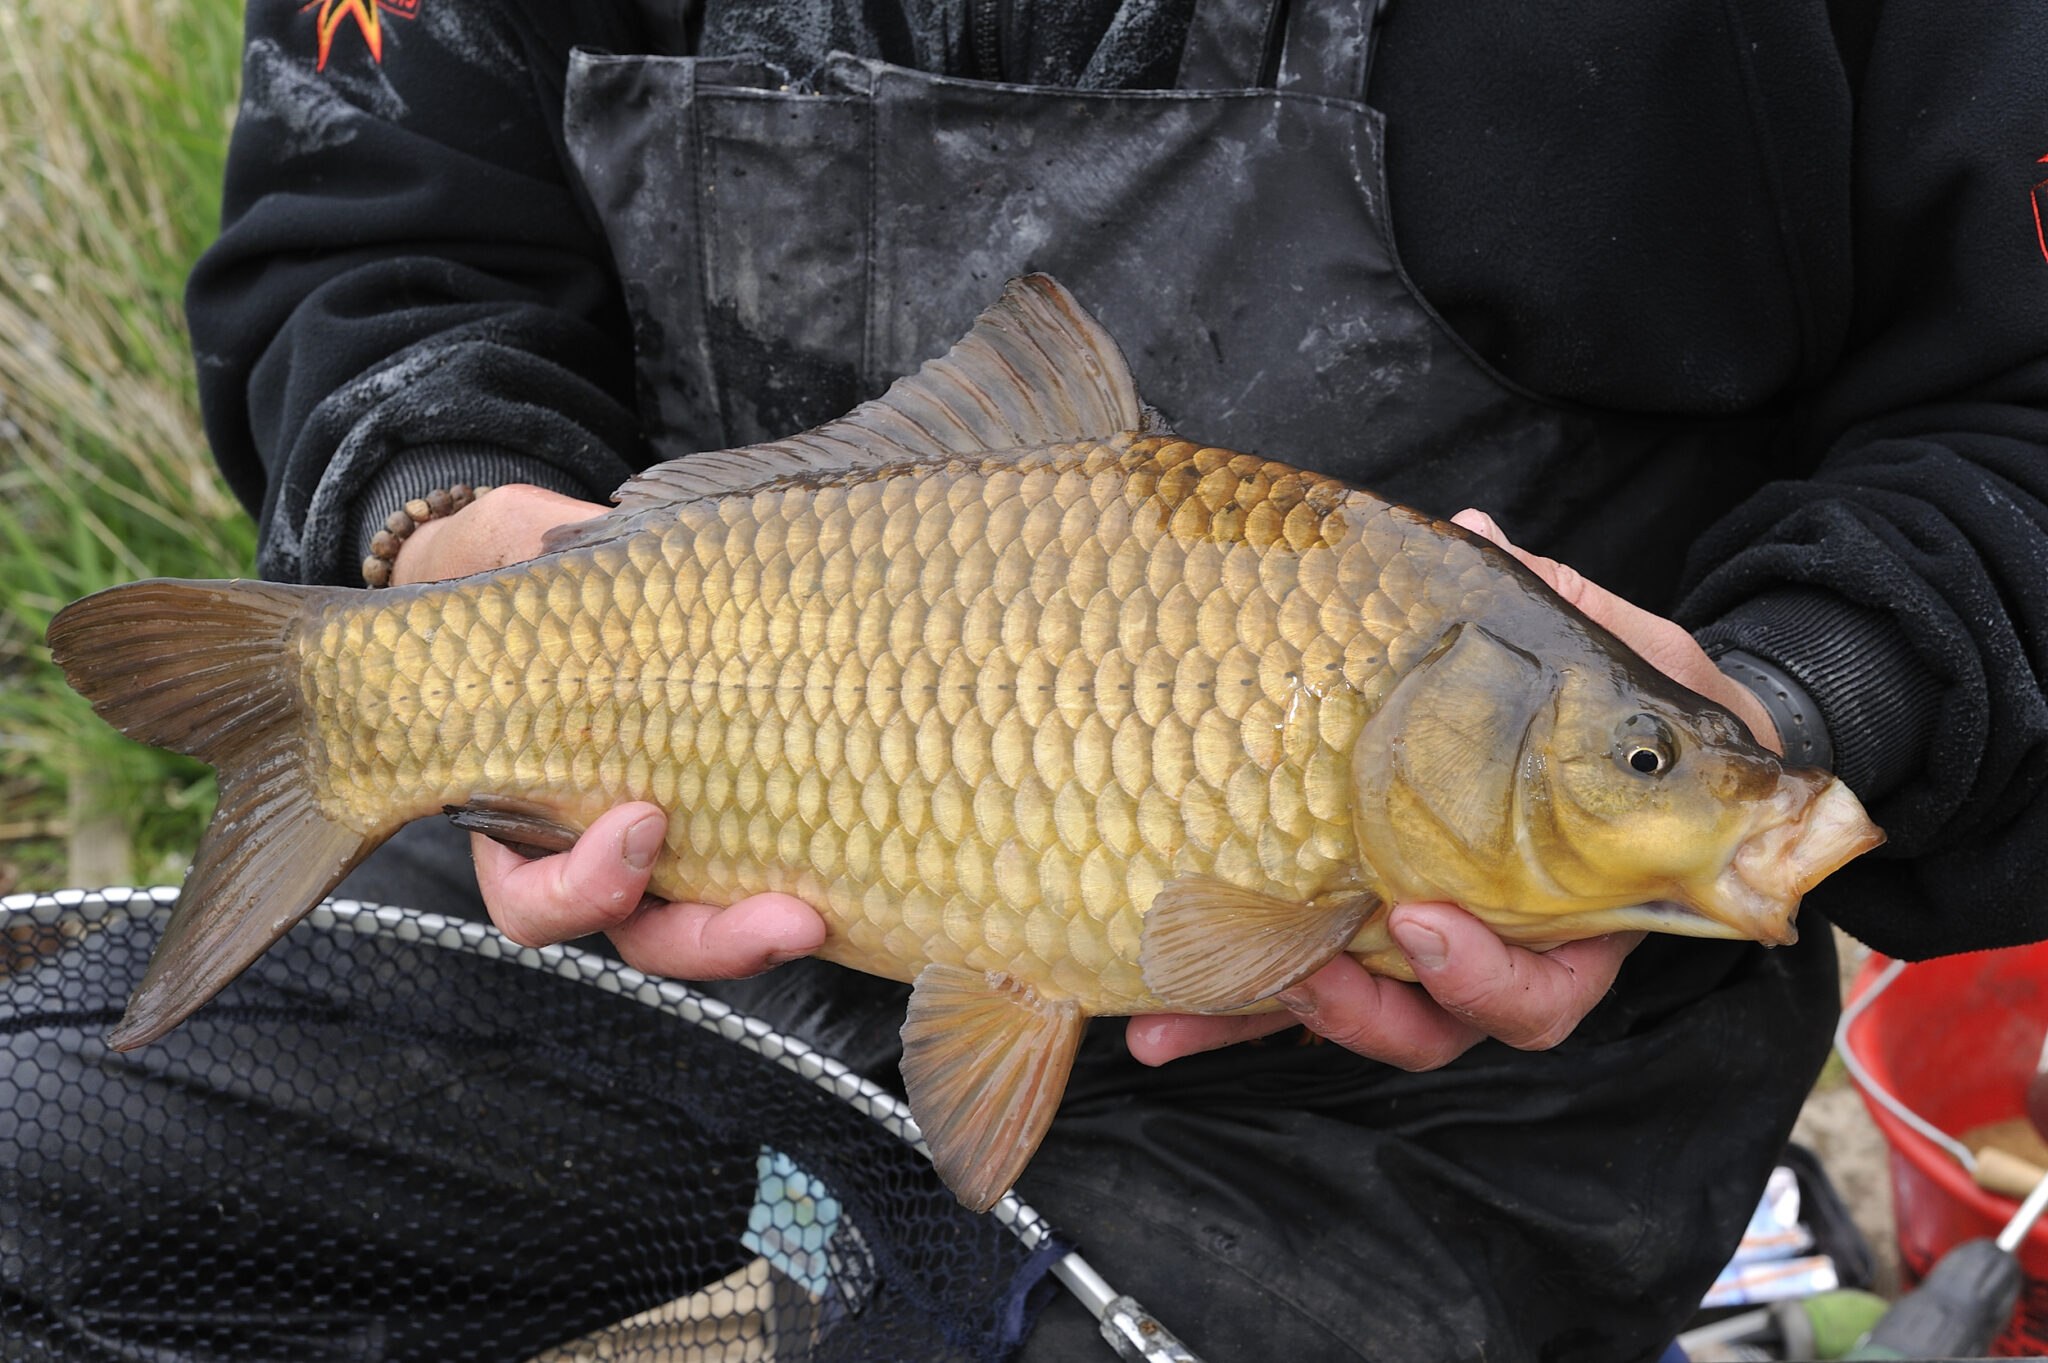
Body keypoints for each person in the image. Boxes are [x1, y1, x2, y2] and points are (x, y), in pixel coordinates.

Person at [181, 0, 2048, 1357]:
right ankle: (375, 710)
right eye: (1650, 764)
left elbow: (2015, 418)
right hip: (647, 844)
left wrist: (1805, 692)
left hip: (1474, 1113)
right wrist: (441, 536)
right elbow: (380, 242)